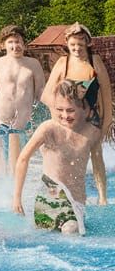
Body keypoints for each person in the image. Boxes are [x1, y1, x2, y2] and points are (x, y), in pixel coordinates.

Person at [12, 80, 102, 235]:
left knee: (73, 228)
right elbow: (23, 159)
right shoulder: (49, 128)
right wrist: (16, 198)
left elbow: (98, 166)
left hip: (77, 205)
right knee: (70, 229)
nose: (65, 115)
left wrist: (103, 196)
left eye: (70, 110)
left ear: (84, 108)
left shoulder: (91, 133)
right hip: (49, 199)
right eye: (60, 109)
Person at [41, 23, 110, 206]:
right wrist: (58, 117)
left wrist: (106, 123)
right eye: (73, 45)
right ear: (67, 44)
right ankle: (62, 193)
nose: (76, 49)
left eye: (80, 44)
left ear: (87, 42)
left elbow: (106, 95)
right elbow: (46, 95)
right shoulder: (63, 63)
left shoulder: (95, 62)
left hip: (91, 117)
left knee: (96, 154)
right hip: (67, 118)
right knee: (63, 155)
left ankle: (102, 197)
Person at [0, 25, 45, 175]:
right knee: (0, 169)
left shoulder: (33, 64)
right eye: (11, 42)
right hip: (1, 125)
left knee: (20, 169)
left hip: (24, 126)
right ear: (3, 44)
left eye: (18, 42)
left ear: (24, 44)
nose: (15, 46)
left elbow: (41, 93)